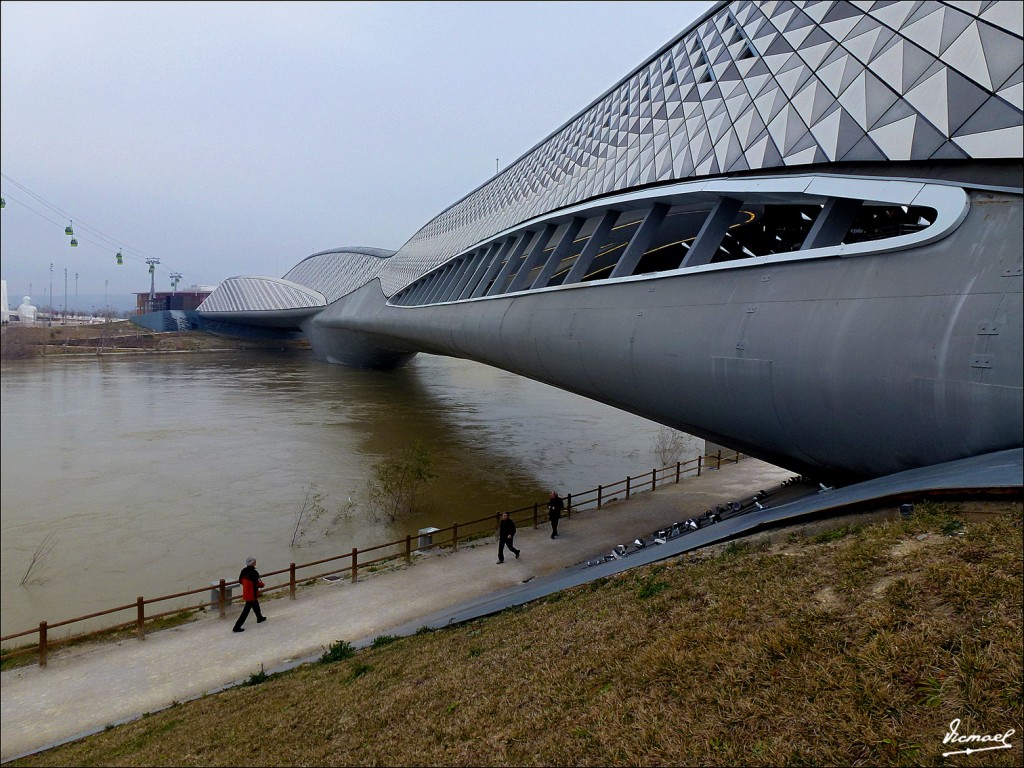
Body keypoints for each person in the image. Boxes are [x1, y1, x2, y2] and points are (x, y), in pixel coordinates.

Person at [232, 556, 266, 632]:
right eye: (254, 562)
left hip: (246, 592)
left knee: (256, 605)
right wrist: (262, 585)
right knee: (246, 611)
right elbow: (258, 583)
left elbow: (240, 581)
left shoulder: (243, 570)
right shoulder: (254, 572)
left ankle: (259, 617)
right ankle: (237, 627)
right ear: (253, 563)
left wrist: (247, 585)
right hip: (252, 593)